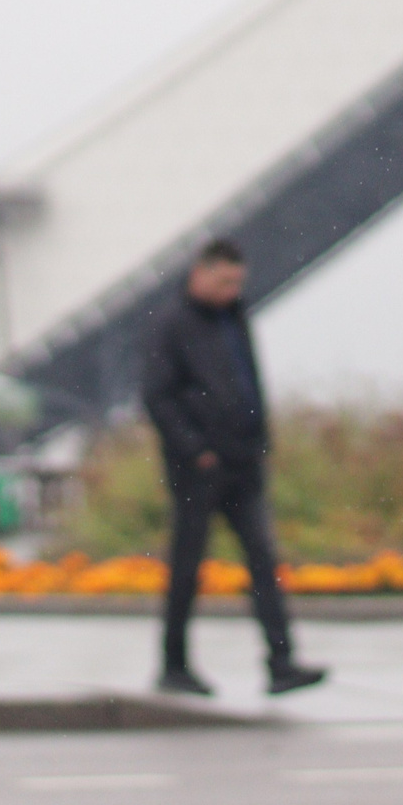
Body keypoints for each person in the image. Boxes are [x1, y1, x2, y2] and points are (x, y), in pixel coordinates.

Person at [140, 239, 327, 699]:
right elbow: (157, 396)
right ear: (199, 276)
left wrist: (260, 440)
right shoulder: (172, 325)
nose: (232, 290)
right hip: (199, 468)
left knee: (263, 560)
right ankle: (174, 664)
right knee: (187, 566)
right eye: (224, 281)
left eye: (237, 282)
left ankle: (281, 662)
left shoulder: (234, 318)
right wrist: (195, 448)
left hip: (243, 461)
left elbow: (248, 381)